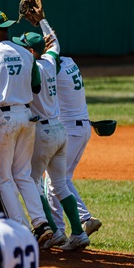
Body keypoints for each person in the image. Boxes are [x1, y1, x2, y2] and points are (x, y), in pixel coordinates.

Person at [13, 12, 91, 251]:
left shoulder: (30, 68)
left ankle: (54, 231)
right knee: (60, 185)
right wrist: (43, 22)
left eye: (24, 47)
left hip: (43, 134)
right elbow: (55, 43)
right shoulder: (49, 61)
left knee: (31, 182)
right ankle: (78, 233)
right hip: (60, 130)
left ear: (32, 51)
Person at [0, 9, 53, 242]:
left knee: (3, 178)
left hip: (3, 119)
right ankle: (41, 224)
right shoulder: (26, 53)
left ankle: (20, 229)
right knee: (23, 175)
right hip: (26, 116)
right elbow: (36, 86)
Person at [47, 54, 103, 240]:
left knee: (53, 181)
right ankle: (84, 219)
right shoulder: (69, 61)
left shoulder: (52, 69)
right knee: (62, 178)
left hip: (70, 130)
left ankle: (58, 230)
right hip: (82, 127)